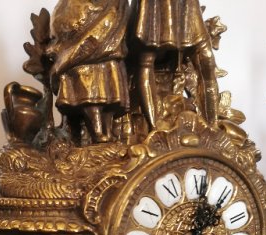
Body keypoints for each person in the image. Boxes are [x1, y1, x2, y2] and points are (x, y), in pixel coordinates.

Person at [48, 0, 130, 143]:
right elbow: (64, 23)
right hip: (80, 56)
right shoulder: (68, 4)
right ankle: (97, 132)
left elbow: (116, 15)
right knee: (90, 97)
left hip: (108, 49)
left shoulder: (114, 5)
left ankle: (107, 131)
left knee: (110, 95)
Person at [129, 0, 219, 128]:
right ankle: (154, 126)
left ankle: (212, 125)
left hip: (187, 6)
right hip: (154, 5)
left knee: (207, 61)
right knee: (147, 56)